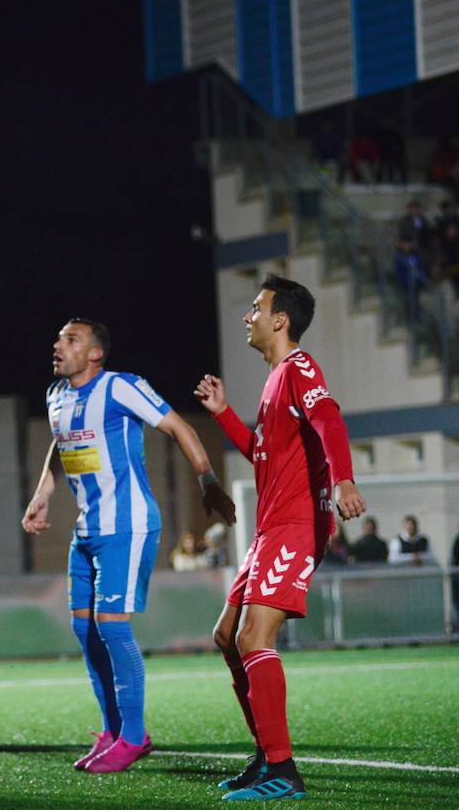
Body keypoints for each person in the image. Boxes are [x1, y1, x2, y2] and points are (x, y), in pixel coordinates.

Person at [23, 319, 233, 774]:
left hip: (129, 525)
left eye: (70, 339)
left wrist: (208, 481)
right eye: (58, 337)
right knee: (85, 631)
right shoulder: (55, 395)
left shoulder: (121, 387)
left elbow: (179, 427)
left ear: (95, 353)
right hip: (87, 530)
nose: (58, 345)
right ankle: (113, 731)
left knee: (112, 627)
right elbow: (61, 444)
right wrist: (43, 494)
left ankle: (134, 737)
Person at [197, 273, 365, 801]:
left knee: (253, 639)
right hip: (270, 527)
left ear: (280, 319)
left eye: (255, 307)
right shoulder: (273, 382)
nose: (247, 316)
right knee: (227, 637)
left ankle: (284, 770)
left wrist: (343, 478)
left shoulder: (299, 367)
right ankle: (266, 755)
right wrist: (224, 414)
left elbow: (329, 421)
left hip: (296, 525)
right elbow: (263, 454)